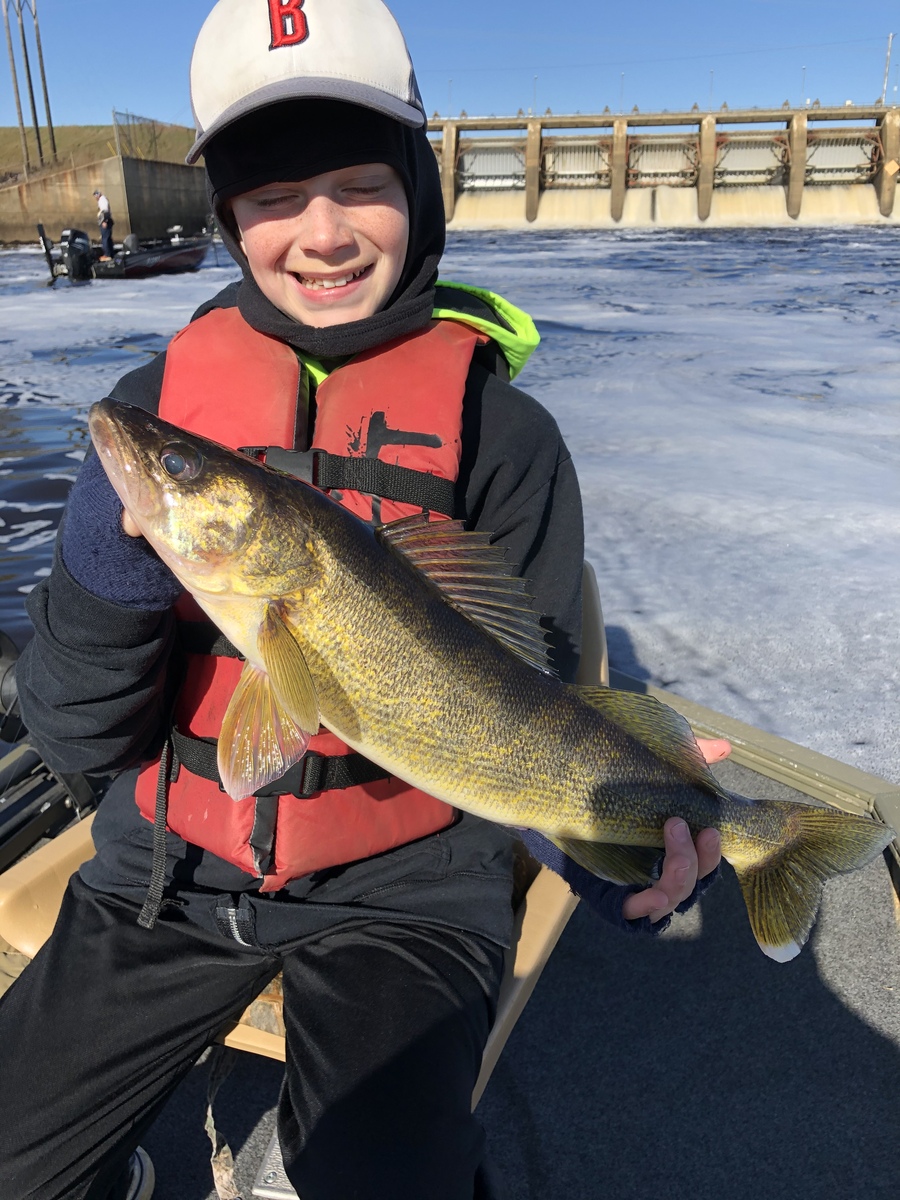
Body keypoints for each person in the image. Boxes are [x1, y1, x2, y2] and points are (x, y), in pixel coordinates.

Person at [0, 2, 724, 1197]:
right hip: (164, 878)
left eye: (357, 183)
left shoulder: (506, 436)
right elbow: (78, 733)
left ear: (418, 187)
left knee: (394, 1179)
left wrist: (591, 833)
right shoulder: (158, 405)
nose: (322, 233)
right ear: (227, 215)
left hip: (409, 893)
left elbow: (522, 700)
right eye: (274, 196)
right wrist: (112, 556)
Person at [93, 188, 114, 258]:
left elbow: (105, 211)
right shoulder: (103, 200)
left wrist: (105, 221)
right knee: (108, 238)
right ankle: (111, 253)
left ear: (98, 195)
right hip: (106, 221)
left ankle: (107, 254)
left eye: (95, 196)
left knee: (105, 238)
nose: (95, 198)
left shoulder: (102, 200)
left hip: (105, 222)